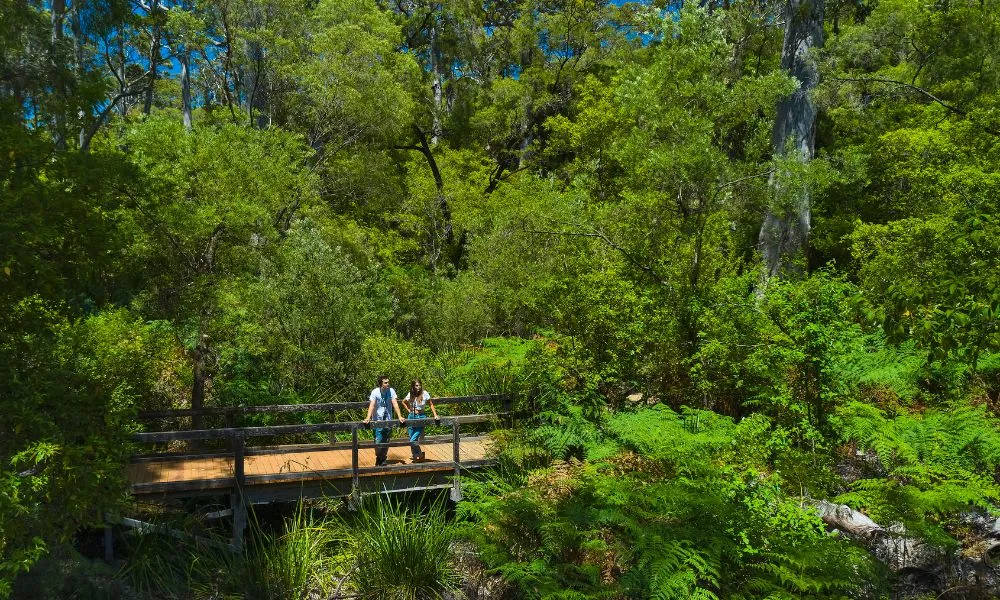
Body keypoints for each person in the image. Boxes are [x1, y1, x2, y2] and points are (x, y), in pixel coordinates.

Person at [362, 375, 405, 466]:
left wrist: (399, 416)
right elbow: (372, 405)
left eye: (388, 382)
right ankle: (379, 457)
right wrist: (368, 418)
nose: (388, 384)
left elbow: (395, 403)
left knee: (386, 440)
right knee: (378, 441)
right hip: (378, 420)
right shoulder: (375, 392)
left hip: (388, 420)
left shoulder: (391, 391)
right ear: (381, 384)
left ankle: (382, 459)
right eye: (386, 383)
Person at [402, 378, 439, 462]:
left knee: (413, 440)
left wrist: (435, 415)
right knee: (411, 437)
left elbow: (431, 404)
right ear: (413, 386)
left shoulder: (425, 393)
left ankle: (420, 455)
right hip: (411, 417)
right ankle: (416, 457)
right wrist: (409, 410)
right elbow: (403, 402)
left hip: (421, 417)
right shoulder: (410, 394)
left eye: (419, 385)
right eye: (416, 385)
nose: (418, 387)